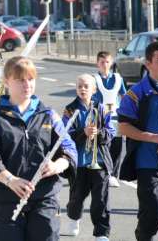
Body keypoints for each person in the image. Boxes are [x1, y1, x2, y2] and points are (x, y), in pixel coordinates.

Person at [0, 56, 77, 241]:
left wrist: (57, 165)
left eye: (30, 79)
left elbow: (68, 147)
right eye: (20, 79)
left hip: (44, 197)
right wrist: (11, 180)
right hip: (6, 198)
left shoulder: (48, 115)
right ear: (7, 81)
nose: (27, 84)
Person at [118, 41, 158, 241]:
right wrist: (154, 137)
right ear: (148, 64)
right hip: (148, 163)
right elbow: (123, 127)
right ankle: (142, 236)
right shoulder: (136, 93)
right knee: (156, 212)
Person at [63, 74, 115, 241]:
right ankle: (73, 217)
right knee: (76, 198)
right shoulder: (70, 109)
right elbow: (64, 135)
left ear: (94, 89)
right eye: (79, 86)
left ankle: (101, 233)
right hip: (78, 163)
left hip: (98, 161)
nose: (82, 89)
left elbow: (111, 132)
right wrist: (82, 133)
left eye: (86, 86)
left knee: (101, 199)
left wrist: (98, 133)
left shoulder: (102, 108)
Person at [93, 51, 127, 188]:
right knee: (103, 145)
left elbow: (124, 96)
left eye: (107, 62)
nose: (105, 65)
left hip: (115, 116)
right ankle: (105, 172)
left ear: (111, 63)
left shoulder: (118, 78)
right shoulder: (94, 78)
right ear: (97, 63)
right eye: (102, 62)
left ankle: (113, 175)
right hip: (100, 118)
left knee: (117, 146)